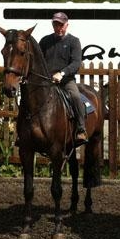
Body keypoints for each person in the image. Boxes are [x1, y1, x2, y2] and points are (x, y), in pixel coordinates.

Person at [39, 11, 87, 145]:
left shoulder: (74, 41)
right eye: (56, 25)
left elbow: (76, 63)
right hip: (46, 81)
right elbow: (38, 60)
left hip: (66, 81)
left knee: (76, 97)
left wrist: (62, 73)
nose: (58, 28)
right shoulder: (45, 41)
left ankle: (81, 129)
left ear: (67, 25)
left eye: (61, 25)